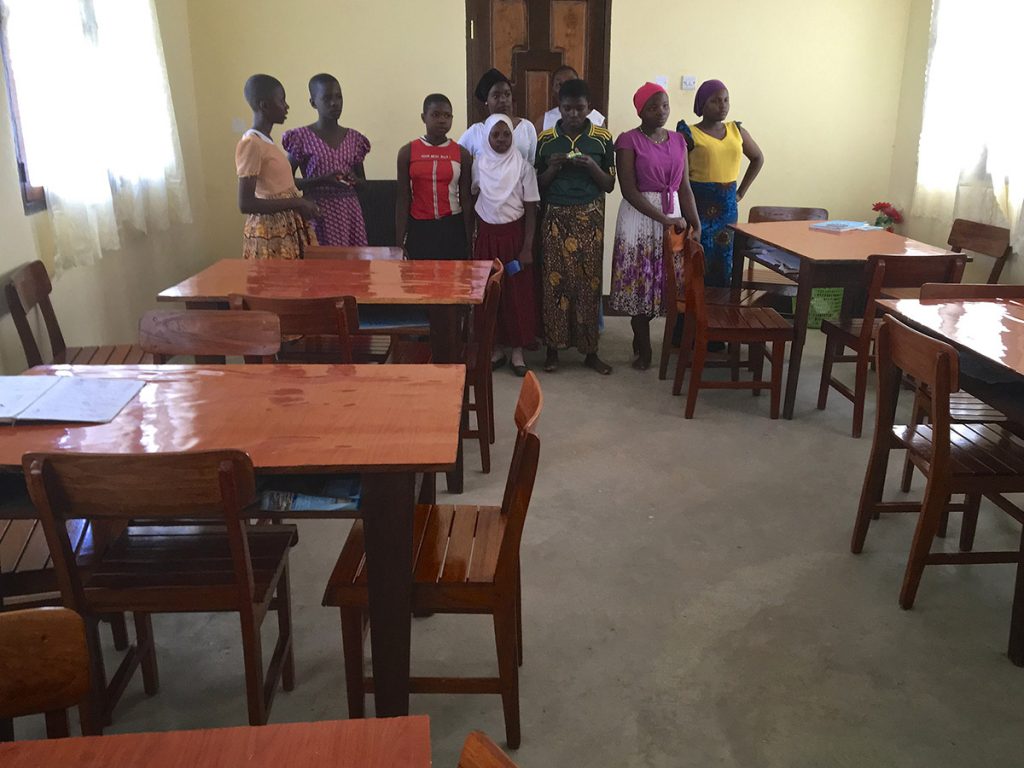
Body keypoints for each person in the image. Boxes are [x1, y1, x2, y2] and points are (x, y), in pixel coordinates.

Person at [610, 82, 701, 370]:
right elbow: (628, 190)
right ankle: (644, 346)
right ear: (640, 112)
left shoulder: (679, 141)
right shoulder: (628, 141)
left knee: (668, 283)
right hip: (639, 219)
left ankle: (647, 338)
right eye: (652, 107)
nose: (660, 111)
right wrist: (664, 219)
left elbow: (684, 187)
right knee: (640, 284)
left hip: (673, 215)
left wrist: (696, 223)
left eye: (664, 105)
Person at [535, 78, 615, 375]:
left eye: (579, 108)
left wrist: (591, 166)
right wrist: (553, 168)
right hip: (555, 216)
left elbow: (609, 184)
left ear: (588, 108)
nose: (573, 114)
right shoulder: (546, 139)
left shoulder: (602, 138)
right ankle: (553, 350)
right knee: (554, 284)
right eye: (567, 108)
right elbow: (537, 185)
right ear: (559, 107)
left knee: (588, 285)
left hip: (589, 216)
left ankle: (590, 351)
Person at [676, 79, 764, 287]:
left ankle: (720, 306)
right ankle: (691, 307)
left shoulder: (737, 131)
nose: (722, 105)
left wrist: (741, 192)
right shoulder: (688, 133)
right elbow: (680, 175)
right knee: (696, 259)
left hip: (727, 209)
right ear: (702, 104)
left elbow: (758, 158)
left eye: (726, 100)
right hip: (697, 206)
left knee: (724, 260)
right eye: (715, 101)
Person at [472, 114, 540, 376]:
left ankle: (517, 352)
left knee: (516, 295)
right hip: (487, 240)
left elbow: (531, 210)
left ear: (513, 136)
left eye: (506, 134)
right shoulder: (479, 164)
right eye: (495, 135)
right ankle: (496, 348)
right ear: (487, 137)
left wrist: (527, 247)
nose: (501, 139)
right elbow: (474, 198)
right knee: (490, 294)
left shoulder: (523, 167)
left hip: (514, 240)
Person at [236, 74, 319, 260]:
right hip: (270, 232)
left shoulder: (266, 142)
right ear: (265, 105)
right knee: (277, 278)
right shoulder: (251, 144)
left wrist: (313, 190)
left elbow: (280, 185)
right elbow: (245, 203)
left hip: (283, 227)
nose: (286, 106)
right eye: (281, 100)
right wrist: (298, 202)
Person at [282, 73, 370, 247]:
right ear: (313, 103)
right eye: (327, 98)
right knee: (322, 261)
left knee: (353, 262)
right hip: (317, 211)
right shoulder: (301, 138)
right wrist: (321, 180)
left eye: (338, 97)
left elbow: (364, 184)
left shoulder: (354, 139)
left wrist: (354, 180)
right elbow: (285, 181)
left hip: (349, 213)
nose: (334, 103)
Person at [396, 94, 473, 259]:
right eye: (436, 115)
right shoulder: (407, 152)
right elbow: (403, 198)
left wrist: (469, 240)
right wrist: (399, 240)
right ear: (423, 117)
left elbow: (466, 199)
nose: (442, 120)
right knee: (420, 274)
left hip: (452, 226)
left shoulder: (462, 154)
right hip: (420, 228)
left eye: (447, 116)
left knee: (452, 275)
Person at [459, 68, 537, 164]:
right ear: (486, 101)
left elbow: (532, 163)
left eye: (507, 94)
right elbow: (457, 157)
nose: (503, 100)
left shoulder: (526, 127)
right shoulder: (476, 131)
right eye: (496, 96)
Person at [535, 64, 606, 134]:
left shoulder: (597, 120)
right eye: (559, 84)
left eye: (571, 83)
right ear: (552, 90)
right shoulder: (544, 121)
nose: (566, 88)